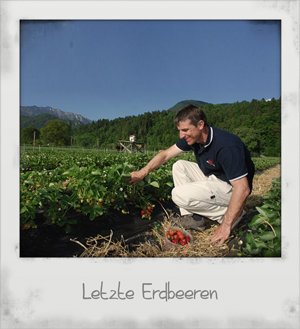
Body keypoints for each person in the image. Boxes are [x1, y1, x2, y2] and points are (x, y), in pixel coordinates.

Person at [130, 104, 255, 245]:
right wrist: (143, 172)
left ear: (200, 125)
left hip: (231, 188)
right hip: (215, 179)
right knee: (179, 166)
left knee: (178, 194)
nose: (181, 135)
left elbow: (243, 188)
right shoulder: (194, 139)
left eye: (185, 130)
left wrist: (226, 225)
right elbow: (165, 155)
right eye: (179, 130)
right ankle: (193, 218)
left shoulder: (226, 146)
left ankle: (236, 216)